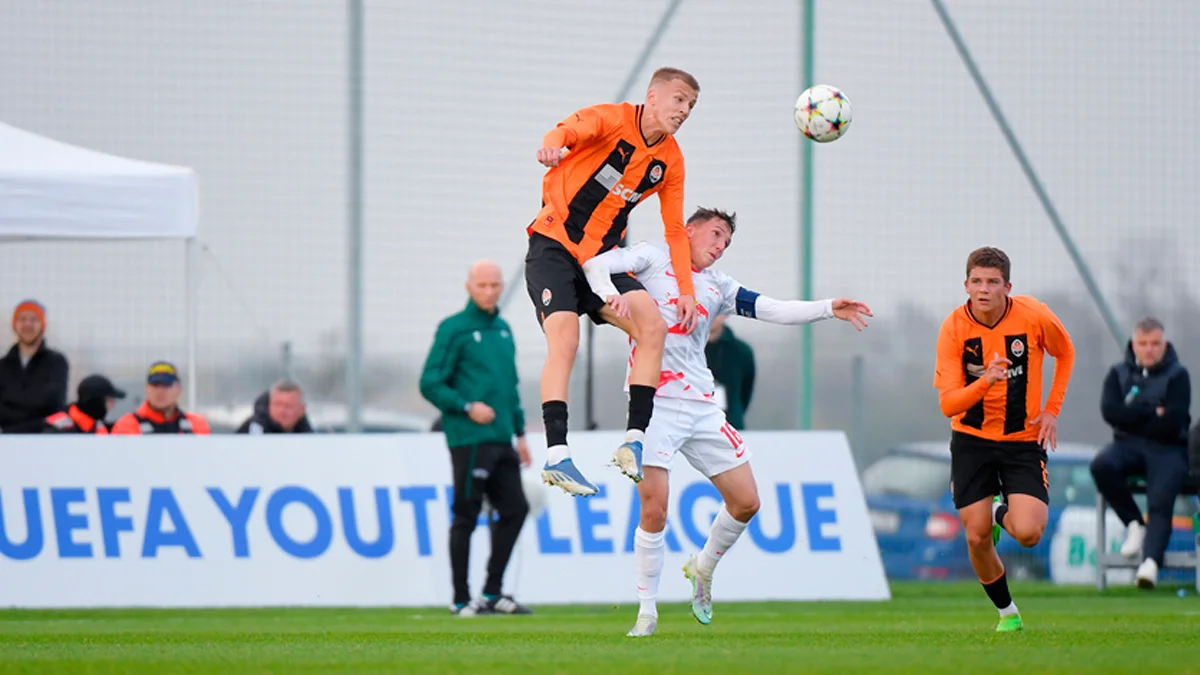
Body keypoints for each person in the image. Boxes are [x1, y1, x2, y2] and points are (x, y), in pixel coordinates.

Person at [582, 207, 872, 636]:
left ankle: (703, 567)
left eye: (726, 242)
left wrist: (829, 307)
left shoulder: (718, 286)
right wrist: (609, 293)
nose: (719, 246)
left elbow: (773, 309)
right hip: (654, 402)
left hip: (700, 406)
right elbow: (595, 263)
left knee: (747, 502)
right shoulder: (652, 257)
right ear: (689, 230)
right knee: (655, 510)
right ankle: (647, 612)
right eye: (715, 234)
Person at [525, 67, 702, 497]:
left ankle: (633, 441)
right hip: (554, 246)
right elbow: (563, 131)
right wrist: (551, 148)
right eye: (679, 99)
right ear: (653, 96)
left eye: (692, 105)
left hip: (601, 262)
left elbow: (676, 230)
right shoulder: (610, 119)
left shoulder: (671, 160)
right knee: (565, 341)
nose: (684, 111)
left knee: (654, 327)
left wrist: (687, 291)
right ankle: (557, 456)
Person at [933, 246, 1075, 633]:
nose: (983, 290)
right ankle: (1008, 614)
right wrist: (986, 381)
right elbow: (949, 404)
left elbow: (1066, 353)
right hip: (971, 440)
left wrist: (1052, 410)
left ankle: (999, 511)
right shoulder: (953, 328)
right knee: (977, 538)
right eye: (976, 281)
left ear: (1007, 286)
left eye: (992, 282)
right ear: (965, 285)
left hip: (1022, 439)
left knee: (1028, 533)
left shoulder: (1034, 316)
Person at [419, 259, 534, 616]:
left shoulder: (503, 330)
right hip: (469, 438)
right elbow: (430, 382)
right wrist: (466, 406)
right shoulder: (454, 329)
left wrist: (520, 432)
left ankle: (492, 592)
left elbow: (511, 387)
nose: (489, 291)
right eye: (482, 285)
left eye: (494, 285)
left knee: (516, 509)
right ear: (469, 286)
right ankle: (460, 598)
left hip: (502, 438)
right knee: (466, 515)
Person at [1091, 316, 1191, 589]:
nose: (1149, 349)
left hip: (1168, 449)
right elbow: (1110, 412)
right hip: (1127, 446)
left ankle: (1150, 563)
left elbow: (1173, 421)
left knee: (1160, 497)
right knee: (1101, 465)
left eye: (1155, 343)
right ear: (1134, 344)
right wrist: (1152, 412)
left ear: (1164, 344)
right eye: (1143, 343)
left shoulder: (1178, 376)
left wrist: (1133, 416)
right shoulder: (1118, 373)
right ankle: (1135, 524)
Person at [0, 299, 69, 433]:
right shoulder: (3, 366)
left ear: (42, 325)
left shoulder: (56, 362)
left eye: (34, 319)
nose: (27, 324)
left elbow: (55, 404)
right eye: (22, 319)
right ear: (14, 325)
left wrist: (13, 404)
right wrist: (37, 416)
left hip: (45, 440)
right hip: (7, 442)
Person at [109, 361, 211, 435]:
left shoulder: (196, 425)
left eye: (166, 385)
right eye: (155, 385)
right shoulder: (128, 425)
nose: (160, 391)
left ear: (179, 389)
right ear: (147, 389)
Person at [705, 314, 755, 429]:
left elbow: (746, 389)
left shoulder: (741, 351)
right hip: (697, 423)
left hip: (731, 424)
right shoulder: (689, 350)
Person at [44, 374, 126, 434]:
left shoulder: (97, 426)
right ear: (96, 402)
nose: (112, 405)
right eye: (108, 400)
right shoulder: (56, 429)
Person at [236, 380, 313, 434]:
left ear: (301, 410)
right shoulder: (253, 431)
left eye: (288, 406)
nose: (282, 411)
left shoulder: (307, 435)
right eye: (277, 405)